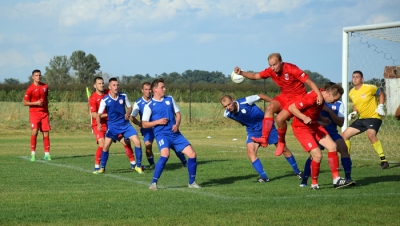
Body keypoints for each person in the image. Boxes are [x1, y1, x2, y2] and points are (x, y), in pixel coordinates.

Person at [234, 53, 323, 157]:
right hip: (284, 96)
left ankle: (281, 142)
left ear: (281, 61)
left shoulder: (292, 69)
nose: (273, 67)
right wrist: (241, 73)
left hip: (297, 98)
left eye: (275, 64)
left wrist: (319, 95)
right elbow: (255, 76)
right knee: (270, 108)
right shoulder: (271, 71)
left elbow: (309, 82)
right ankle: (264, 137)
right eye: (270, 65)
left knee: (280, 119)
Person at [220, 94, 302, 182]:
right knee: (250, 152)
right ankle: (264, 177)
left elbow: (260, 96)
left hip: (266, 126)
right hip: (253, 131)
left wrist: (274, 105)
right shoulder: (227, 114)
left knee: (283, 148)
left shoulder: (246, 101)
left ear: (233, 100)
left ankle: (297, 171)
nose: (228, 107)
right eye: (225, 106)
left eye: (229, 104)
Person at [288, 83, 354, 190]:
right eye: (333, 100)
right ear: (329, 94)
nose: (333, 102)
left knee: (333, 146)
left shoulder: (323, 95)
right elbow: (292, 108)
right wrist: (304, 117)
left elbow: (314, 109)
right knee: (317, 155)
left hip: (314, 125)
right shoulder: (312, 98)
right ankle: (314, 183)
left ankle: (336, 179)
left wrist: (322, 119)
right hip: (301, 128)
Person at [142, 78, 200, 190]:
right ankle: (153, 183)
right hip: (162, 135)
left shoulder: (170, 99)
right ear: (155, 89)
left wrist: (177, 124)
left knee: (192, 154)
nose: (165, 89)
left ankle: (192, 183)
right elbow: (144, 124)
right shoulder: (149, 105)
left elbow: (178, 114)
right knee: (165, 155)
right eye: (162, 87)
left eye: (164, 87)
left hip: (175, 134)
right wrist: (158, 122)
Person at [130, 82, 187, 170]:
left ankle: (184, 162)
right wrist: (139, 124)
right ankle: (152, 164)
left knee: (173, 145)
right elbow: (132, 117)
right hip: (148, 129)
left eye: (149, 89)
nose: (148, 91)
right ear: (142, 90)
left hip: (161, 128)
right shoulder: (138, 103)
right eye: (146, 89)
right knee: (148, 146)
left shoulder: (158, 99)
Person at [93, 78, 143, 174]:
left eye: (117, 85)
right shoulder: (105, 100)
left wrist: (128, 113)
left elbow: (129, 107)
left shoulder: (123, 96)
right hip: (112, 127)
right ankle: (102, 168)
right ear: (110, 87)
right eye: (114, 85)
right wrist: (99, 124)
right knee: (105, 146)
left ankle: (138, 166)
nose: (116, 87)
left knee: (137, 142)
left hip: (125, 125)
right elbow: (98, 115)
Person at [342, 71, 389, 169]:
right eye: (353, 77)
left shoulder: (369, 88)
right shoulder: (351, 92)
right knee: (344, 135)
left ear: (362, 79)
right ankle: (347, 160)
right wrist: (354, 112)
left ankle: (383, 160)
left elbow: (381, 93)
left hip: (374, 117)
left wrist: (381, 106)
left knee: (371, 135)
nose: (355, 79)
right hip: (362, 119)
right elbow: (356, 104)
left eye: (357, 77)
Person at [23, 69, 51, 161]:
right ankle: (33, 154)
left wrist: (47, 110)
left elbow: (46, 99)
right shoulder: (30, 89)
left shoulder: (45, 86)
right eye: (36, 75)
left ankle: (47, 154)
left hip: (44, 113)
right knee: (35, 131)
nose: (38, 77)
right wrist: (36, 103)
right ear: (33, 77)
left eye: (39, 75)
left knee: (46, 132)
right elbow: (25, 102)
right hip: (34, 113)